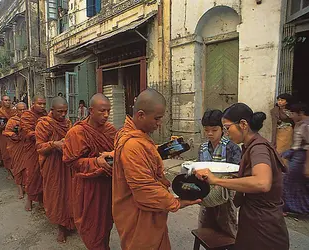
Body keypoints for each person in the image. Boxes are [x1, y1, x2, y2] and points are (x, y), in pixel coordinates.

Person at [112, 89, 201, 250]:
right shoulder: (132, 144)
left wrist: (168, 149)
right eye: (157, 118)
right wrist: (176, 202)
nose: (159, 123)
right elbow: (144, 190)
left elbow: (148, 153)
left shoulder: (133, 135)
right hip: (138, 218)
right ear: (140, 115)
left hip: (149, 214)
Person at [195, 103, 289, 250]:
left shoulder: (259, 148)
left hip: (264, 226)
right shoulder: (249, 147)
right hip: (253, 219)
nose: (226, 133)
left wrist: (217, 180)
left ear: (243, 124)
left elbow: (262, 183)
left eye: (227, 128)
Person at [63, 93, 116, 250]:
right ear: (91, 110)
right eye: (102, 111)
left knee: (106, 223)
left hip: (108, 184)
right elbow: (70, 161)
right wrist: (95, 162)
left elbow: (120, 152)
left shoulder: (111, 130)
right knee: (91, 226)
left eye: (108, 111)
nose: (106, 115)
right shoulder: (76, 132)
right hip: (88, 186)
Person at [36, 97, 75, 243]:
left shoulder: (68, 123)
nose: (63, 115)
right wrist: (54, 144)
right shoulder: (44, 124)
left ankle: (70, 221)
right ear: (52, 110)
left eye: (65, 111)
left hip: (67, 163)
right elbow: (39, 147)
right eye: (60, 112)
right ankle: (61, 227)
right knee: (57, 194)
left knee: (70, 193)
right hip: (52, 165)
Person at [197, 109, 241, 238]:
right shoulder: (202, 148)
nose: (210, 133)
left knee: (228, 228)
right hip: (206, 193)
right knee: (205, 228)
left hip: (226, 195)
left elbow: (237, 172)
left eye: (214, 130)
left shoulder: (232, 147)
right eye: (206, 130)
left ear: (223, 129)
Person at [20, 95, 47, 211]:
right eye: (39, 104)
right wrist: (42, 133)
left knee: (43, 174)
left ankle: (41, 198)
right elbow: (28, 132)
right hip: (32, 148)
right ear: (33, 103)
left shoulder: (45, 115)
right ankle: (29, 199)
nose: (42, 106)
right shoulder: (27, 115)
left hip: (44, 148)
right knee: (32, 173)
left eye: (44, 104)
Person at [283, 102, 309, 214]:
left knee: (291, 181)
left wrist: (307, 165)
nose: (291, 115)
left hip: (302, 155)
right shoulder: (300, 123)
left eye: (293, 113)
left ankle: (299, 208)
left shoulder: (306, 125)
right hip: (296, 153)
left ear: (301, 113)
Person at [3, 102, 27, 199]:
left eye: (24, 109)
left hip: (27, 146)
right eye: (20, 110)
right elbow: (6, 132)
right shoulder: (12, 120)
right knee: (17, 168)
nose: (22, 111)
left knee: (28, 169)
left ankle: (27, 186)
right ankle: (20, 189)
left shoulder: (29, 119)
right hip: (16, 146)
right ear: (16, 111)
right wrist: (12, 134)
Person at [0, 96, 16, 179]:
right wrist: (6, 125)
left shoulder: (14, 110)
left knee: (14, 154)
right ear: (2, 101)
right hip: (3, 136)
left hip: (14, 135)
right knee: (6, 154)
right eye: (6, 100)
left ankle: (16, 172)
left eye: (9, 100)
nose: (8, 102)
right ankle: (9, 172)